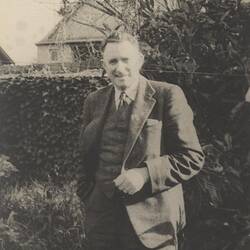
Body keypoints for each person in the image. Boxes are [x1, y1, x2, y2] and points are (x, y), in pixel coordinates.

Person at [76, 31, 204, 250]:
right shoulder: (93, 101)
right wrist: (88, 195)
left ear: (140, 60)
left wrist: (145, 174)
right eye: (113, 61)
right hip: (102, 221)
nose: (119, 67)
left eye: (126, 60)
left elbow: (192, 157)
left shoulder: (168, 95)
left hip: (152, 224)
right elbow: (85, 154)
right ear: (104, 65)